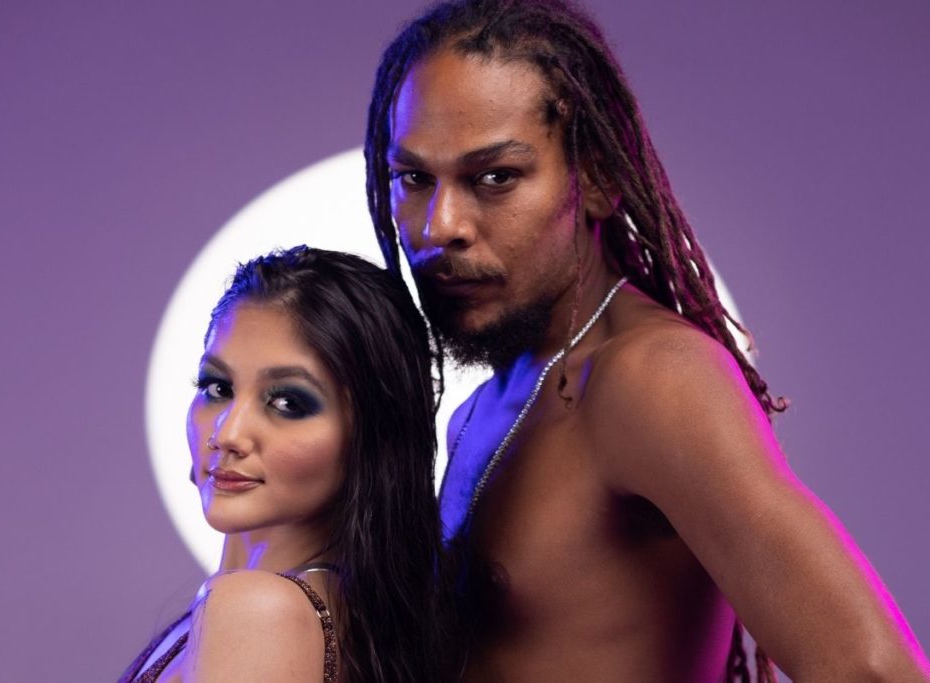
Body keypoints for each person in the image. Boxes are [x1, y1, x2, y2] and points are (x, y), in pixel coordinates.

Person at [364, 0, 930, 680]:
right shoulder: (482, 408)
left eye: (495, 178)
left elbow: (874, 671)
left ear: (598, 176)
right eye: (414, 179)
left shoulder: (652, 377)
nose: (439, 226)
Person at [119, 246, 447, 682]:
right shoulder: (337, 613)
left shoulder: (258, 613)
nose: (227, 434)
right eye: (217, 388)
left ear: (373, 437)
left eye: (288, 403)